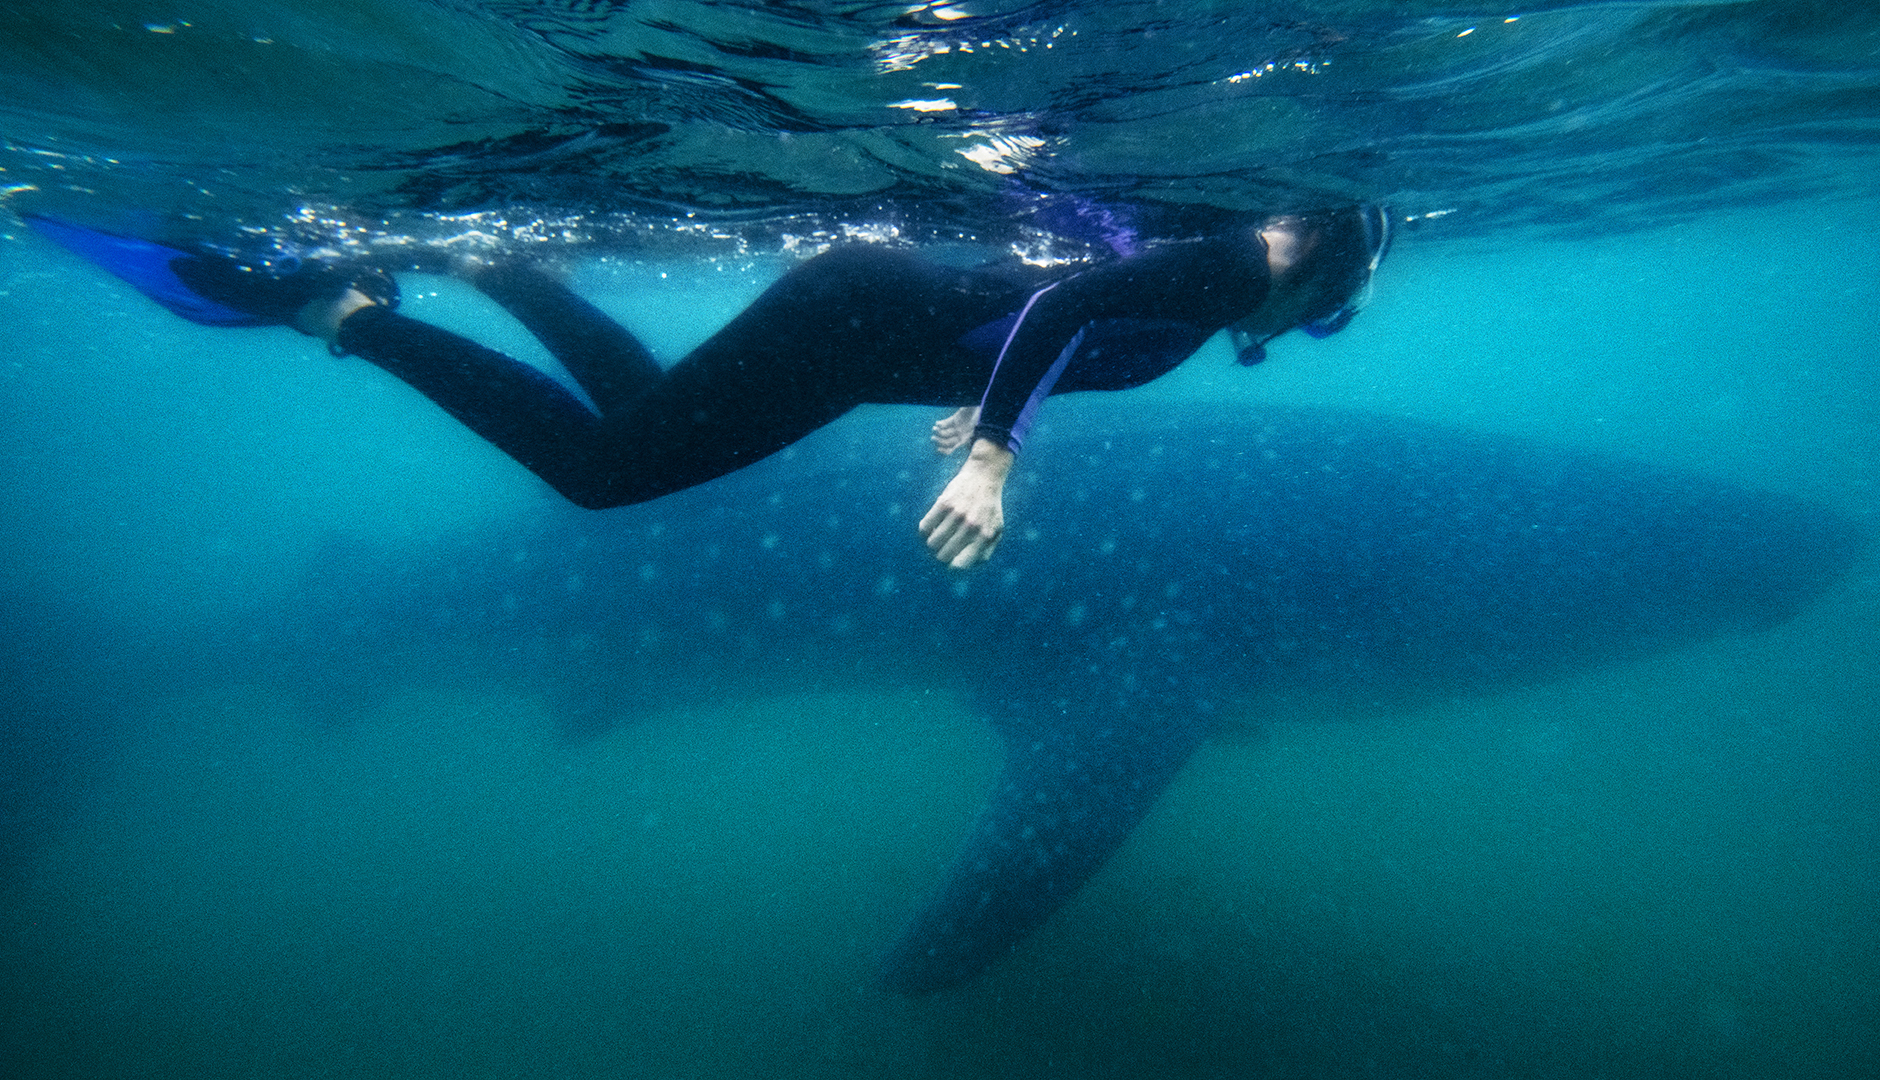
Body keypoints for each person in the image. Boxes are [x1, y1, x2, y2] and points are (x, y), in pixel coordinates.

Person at [29, 205, 1391, 568]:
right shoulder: (1228, 270)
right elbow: (1073, 302)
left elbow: (1058, 328)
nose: (1326, 324)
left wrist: (994, 401)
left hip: (864, 326)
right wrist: (990, 448)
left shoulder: (1212, 275)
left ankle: (494, 263)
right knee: (605, 472)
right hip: (858, 317)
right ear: (1316, 278)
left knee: (634, 421)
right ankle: (351, 317)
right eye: (1340, 309)